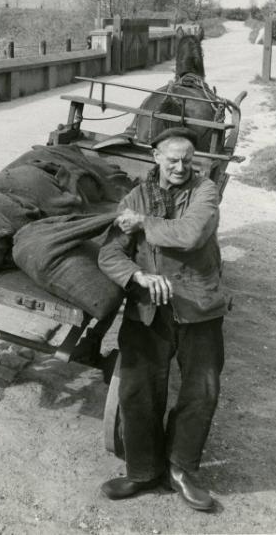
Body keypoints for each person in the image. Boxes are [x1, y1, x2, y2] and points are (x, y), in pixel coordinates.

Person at [98, 126, 228, 511]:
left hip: (199, 306)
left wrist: (142, 224)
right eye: (172, 159)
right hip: (147, 309)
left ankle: (181, 471)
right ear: (155, 156)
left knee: (201, 390)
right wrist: (137, 276)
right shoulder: (135, 197)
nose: (180, 166)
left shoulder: (205, 192)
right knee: (137, 389)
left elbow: (190, 235)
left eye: (188, 159)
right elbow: (110, 254)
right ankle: (142, 471)